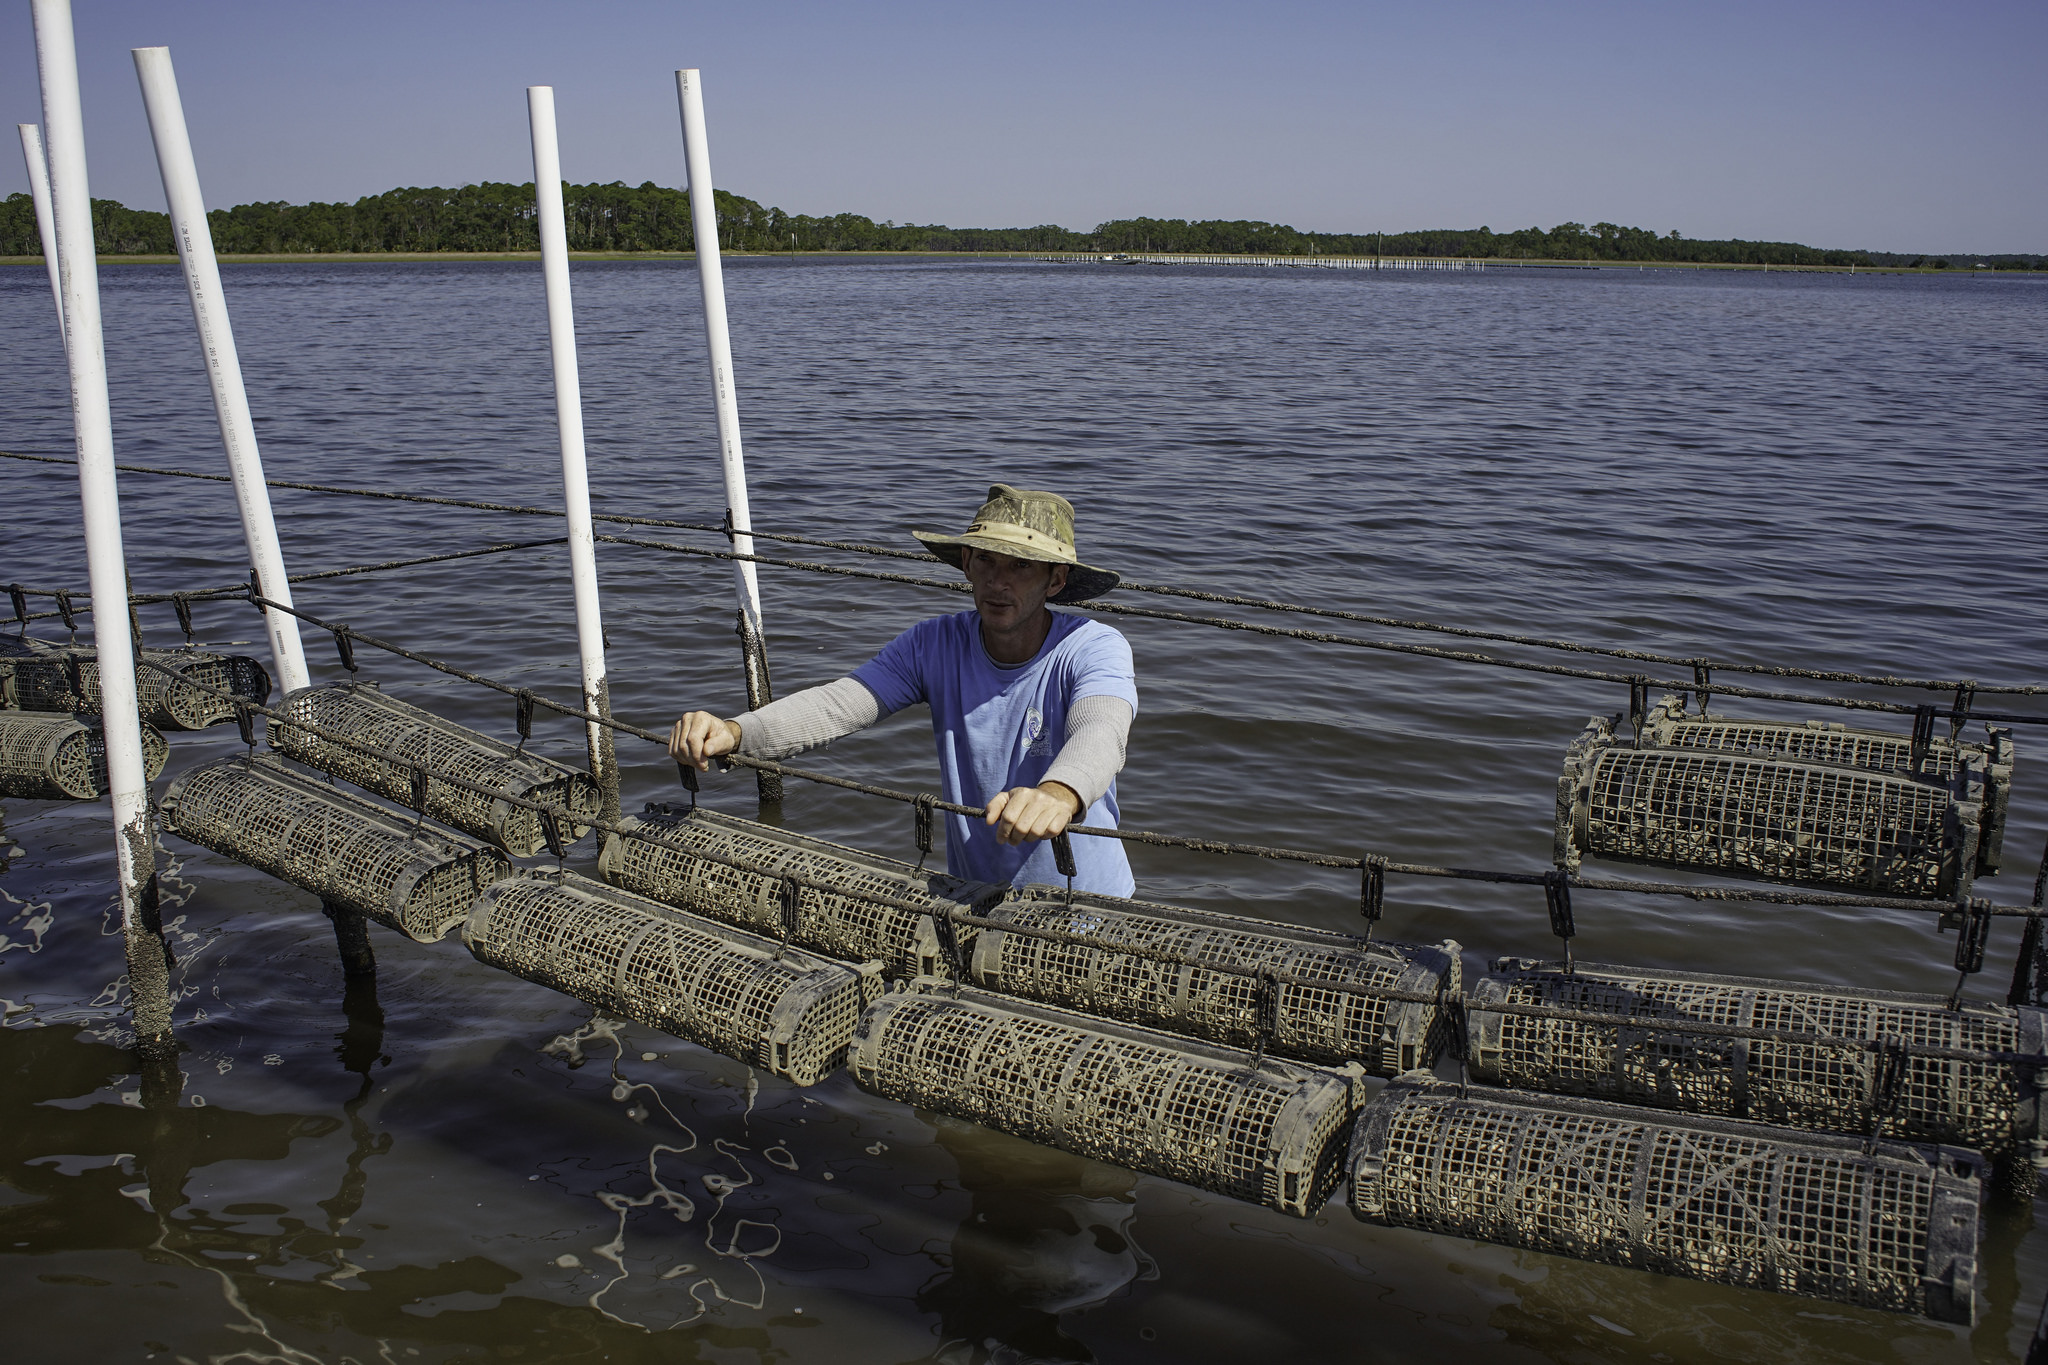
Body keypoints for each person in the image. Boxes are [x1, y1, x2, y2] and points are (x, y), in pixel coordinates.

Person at [668, 483, 1137, 896]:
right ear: (967, 564)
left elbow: (1102, 731)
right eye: (986, 561)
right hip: (976, 896)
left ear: (1055, 580)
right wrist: (733, 731)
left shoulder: (1094, 647)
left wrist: (1057, 793)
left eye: (1019, 566)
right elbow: (839, 704)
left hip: (1088, 903)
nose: (998, 582)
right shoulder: (932, 644)